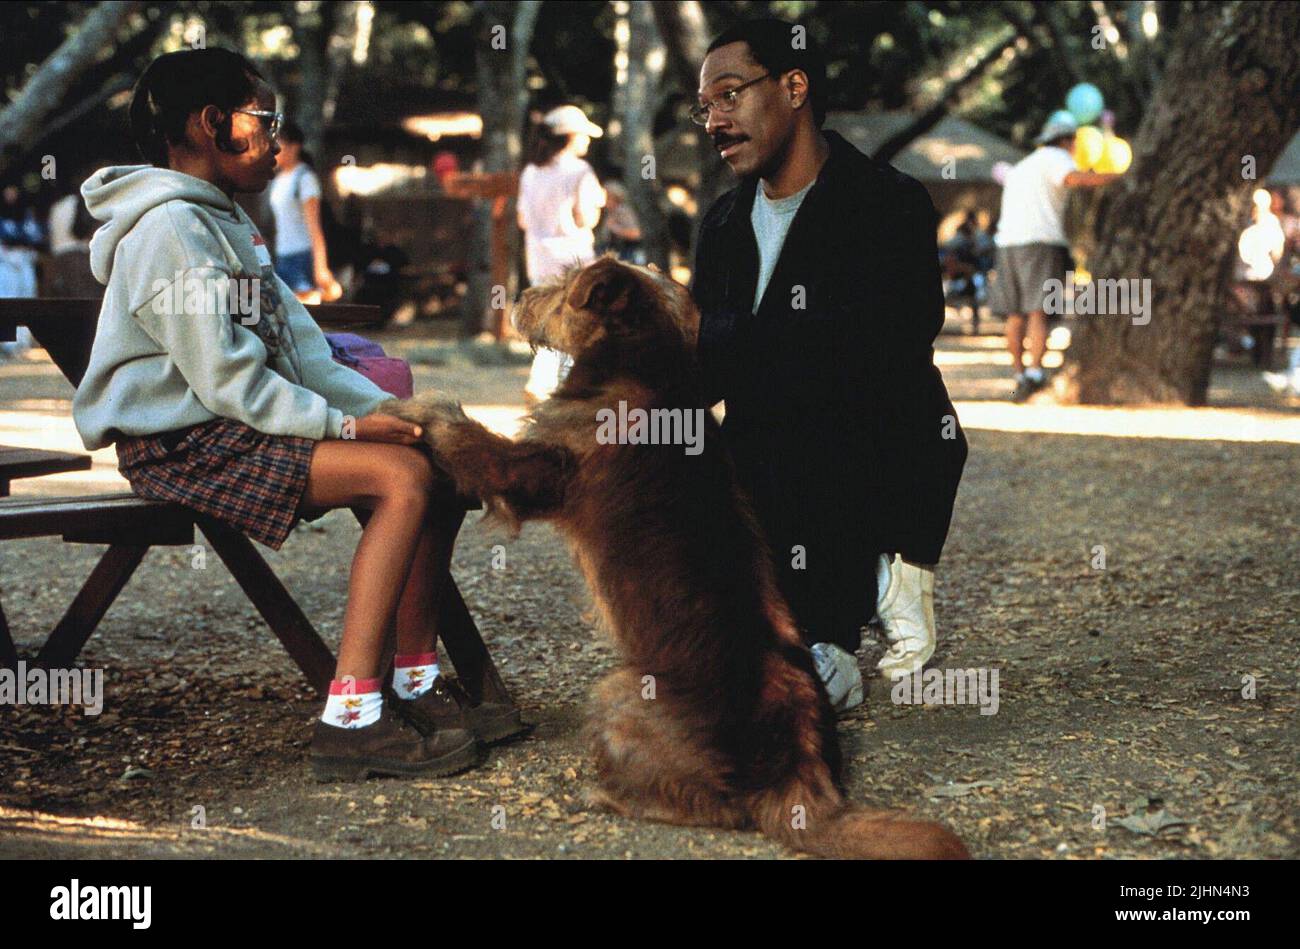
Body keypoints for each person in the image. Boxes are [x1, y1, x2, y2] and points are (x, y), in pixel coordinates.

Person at [70, 48, 512, 781]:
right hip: (179, 442)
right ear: (213, 124)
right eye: (265, 120)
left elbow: (305, 357)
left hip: (229, 423)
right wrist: (349, 429)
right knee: (399, 479)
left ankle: (413, 684)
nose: (278, 138)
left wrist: (401, 413)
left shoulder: (227, 223)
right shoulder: (171, 230)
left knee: (435, 461)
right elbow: (228, 379)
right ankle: (350, 718)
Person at [689, 19, 968, 711]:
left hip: (861, 450)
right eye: (705, 108)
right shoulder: (723, 225)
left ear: (793, 87)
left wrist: (717, 334)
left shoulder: (886, 206)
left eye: (729, 95)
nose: (715, 122)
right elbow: (707, 373)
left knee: (831, 409)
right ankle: (843, 601)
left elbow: (881, 351)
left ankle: (877, 584)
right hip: (758, 470)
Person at [989, 113, 1119, 402]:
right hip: (1041, 242)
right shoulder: (1057, 158)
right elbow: (1074, 179)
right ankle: (1035, 372)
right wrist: (1116, 177)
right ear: (1066, 141)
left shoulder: (1023, 166)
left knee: (1015, 314)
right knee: (1039, 310)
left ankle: (1019, 374)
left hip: (1008, 242)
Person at [517, 104, 606, 403]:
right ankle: (565, 384)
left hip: (539, 257)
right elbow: (585, 218)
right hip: (573, 257)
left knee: (548, 318)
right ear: (569, 136)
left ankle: (540, 379)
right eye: (583, 135)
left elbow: (522, 220)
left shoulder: (530, 172)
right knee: (575, 320)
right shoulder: (580, 171)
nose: (587, 141)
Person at [267, 119, 341, 302]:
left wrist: (320, 266)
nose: (274, 150)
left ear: (294, 147)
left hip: (302, 256)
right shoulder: (277, 180)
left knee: (304, 315)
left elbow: (314, 226)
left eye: (279, 144)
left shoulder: (304, 178)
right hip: (282, 255)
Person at [0, 184, 45, 361]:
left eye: (14, 191)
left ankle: (23, 343)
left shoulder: (26, 215)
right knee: (7, 299)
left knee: (27, 297)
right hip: (4, 260)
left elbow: (35, 236)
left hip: (25, 258)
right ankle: (6, 344)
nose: (11, 195)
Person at [596, 180, 646, 265]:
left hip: (626, 254)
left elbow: (637, 234)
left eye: (607, 197)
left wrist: (615, 228)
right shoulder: (608, 213)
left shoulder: (623, 211)